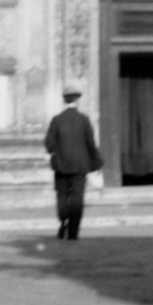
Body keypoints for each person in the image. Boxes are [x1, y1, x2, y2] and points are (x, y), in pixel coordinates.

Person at [45, 87, 103, 241]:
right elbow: (91, 143)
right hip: (80, 166)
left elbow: (49, 145)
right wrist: (97, 162)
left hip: (61, 166)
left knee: (62, 195)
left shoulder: (56, 119)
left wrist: (58, 150)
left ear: (64, 100)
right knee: (77, 198)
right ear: (77, 101)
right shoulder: (84, 119)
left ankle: (63, 219)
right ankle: (73, 233)